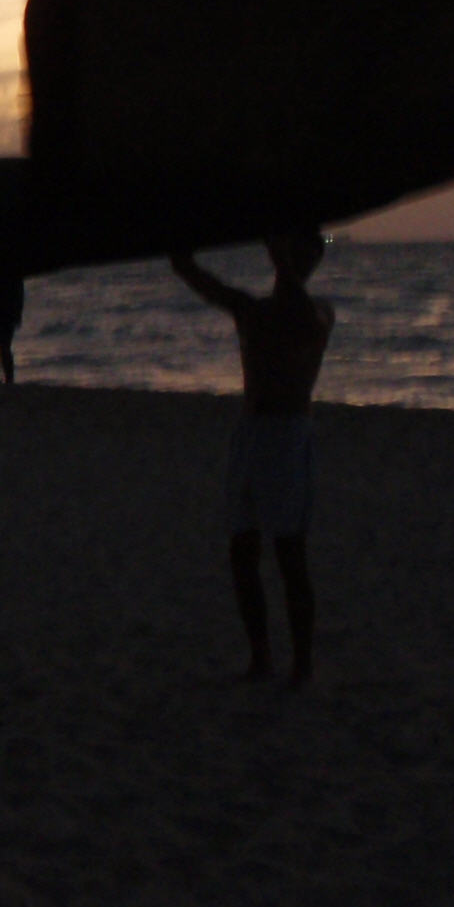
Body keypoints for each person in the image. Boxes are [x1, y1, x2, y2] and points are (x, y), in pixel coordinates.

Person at [172, 234, 333, 687]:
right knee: (242, 550)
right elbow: (206, 286)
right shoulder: (253, 311)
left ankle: (302, 665)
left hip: (287, 436)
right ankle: (260, 658)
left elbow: (301, 314)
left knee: (289, 552)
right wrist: (181, 260)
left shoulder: (317, 313)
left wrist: (279, 251)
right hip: (250, 433)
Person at [0, 275, 24, 385]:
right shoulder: (14, 278)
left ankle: (9, 376)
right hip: (3, 313)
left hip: (2, 314)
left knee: (3, 346)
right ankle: (8, 376)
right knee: (4, 346)